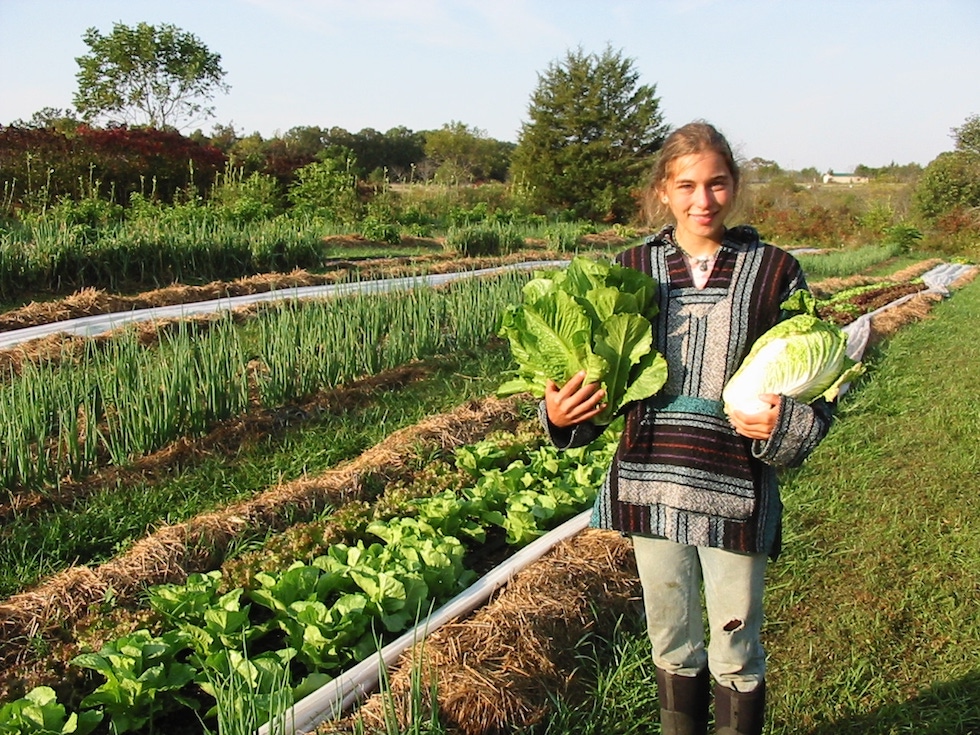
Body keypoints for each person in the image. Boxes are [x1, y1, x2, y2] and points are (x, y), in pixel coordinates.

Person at [540, 121, 833, 735]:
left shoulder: (775, 270)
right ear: (664, 191)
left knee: (737, 646)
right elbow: (594, 382)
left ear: (735, 186)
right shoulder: (628, 269)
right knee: (670, 639)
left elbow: (821, 387)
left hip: (735, 484)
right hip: (649, 482)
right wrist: (561, 417)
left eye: (718, 184)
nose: (704, 200)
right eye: (688, 185)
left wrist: (788, 422)